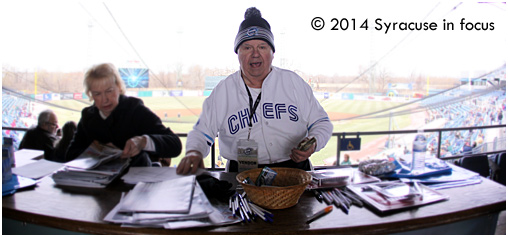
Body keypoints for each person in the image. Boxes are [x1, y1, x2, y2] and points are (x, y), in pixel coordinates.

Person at [177, 7, 333, 174]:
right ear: (238, 53)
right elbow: (201, 132)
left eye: (262, 47)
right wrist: (194, 152)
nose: (255, 54)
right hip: (242, 173)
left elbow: (321, 123)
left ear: (272, 52)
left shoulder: (293, 83)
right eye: (247, 47)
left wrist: (314, 142)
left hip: (294, 170)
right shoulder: (224, 91)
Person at [65, 63, 182, 166]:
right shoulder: (88, 116)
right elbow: (69, 155)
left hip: (136, 182)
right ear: (90, 95)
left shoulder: (135, 110)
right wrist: (100, 151)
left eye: (109, 91)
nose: (105, 99)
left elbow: (175, 144)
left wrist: (144, 141)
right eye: (97, 94)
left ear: (119, 88)